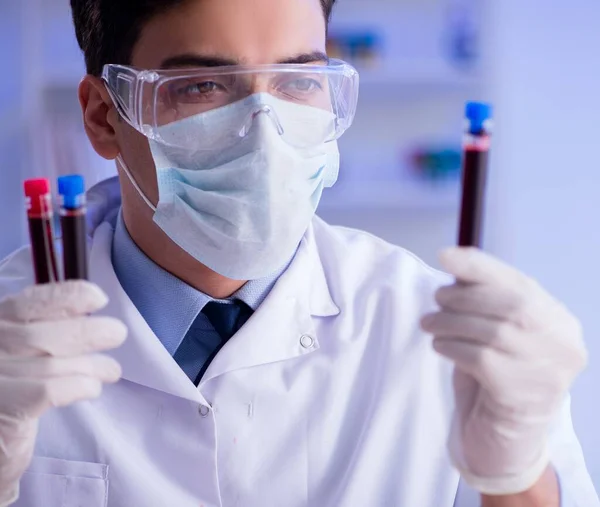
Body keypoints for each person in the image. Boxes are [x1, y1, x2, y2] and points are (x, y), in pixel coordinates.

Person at [0, 0, 597, 505]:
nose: (265, 131)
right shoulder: (10, 342)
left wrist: (517, 478)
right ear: (104, 116)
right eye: (204, 86)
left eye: (300, 82)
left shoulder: (431, 329)